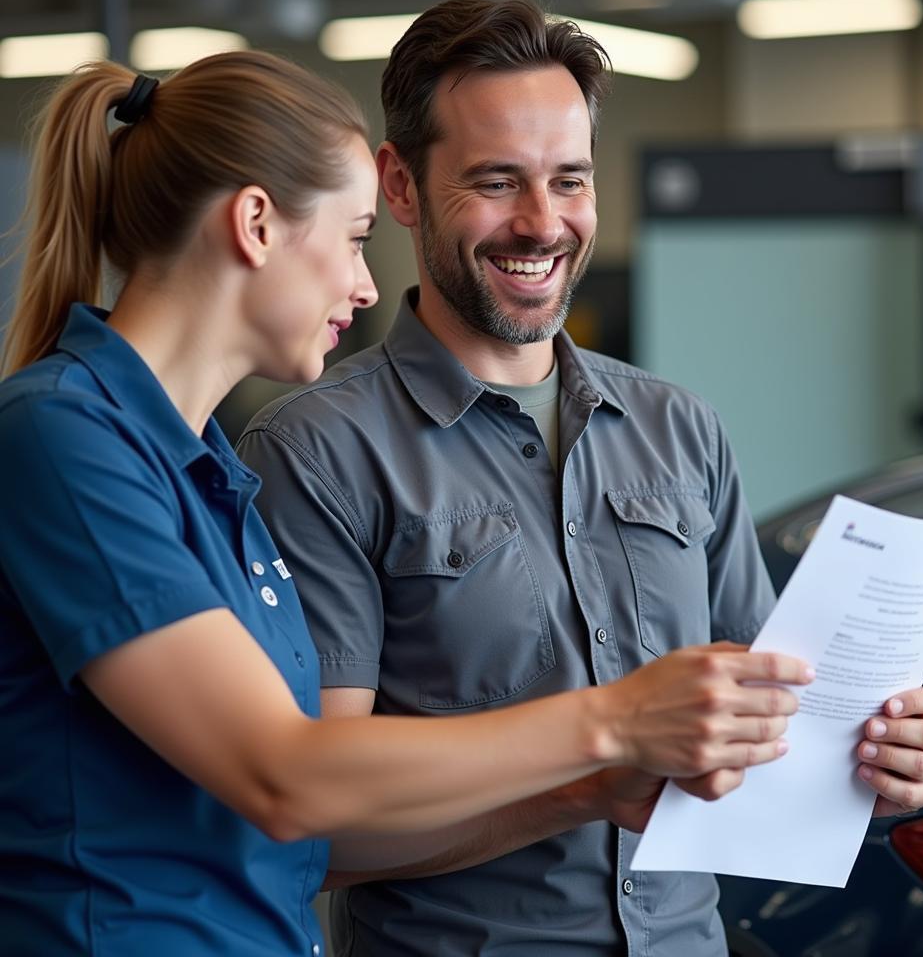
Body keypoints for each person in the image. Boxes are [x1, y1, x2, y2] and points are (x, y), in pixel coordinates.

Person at [0, 50, 816, 957]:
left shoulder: (203, 472)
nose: (363, 282)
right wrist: (615, 721)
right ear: (258, 225)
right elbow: (289, 776)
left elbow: (301, 826)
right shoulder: (63, 436)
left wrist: (591, 790)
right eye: (354, 239)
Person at [237, 0, 923, 957]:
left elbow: (771, 740)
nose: (542, 224)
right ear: (399, 187)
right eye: (497, 182)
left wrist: (879, 759)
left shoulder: (678, 428)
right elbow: (305, 825)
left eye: (568, 180)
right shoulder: (315, 451)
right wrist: (582, 787)